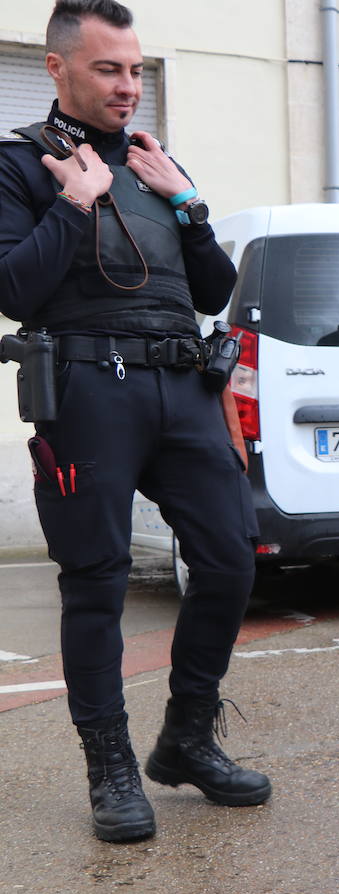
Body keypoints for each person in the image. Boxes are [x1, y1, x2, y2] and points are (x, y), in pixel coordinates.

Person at [0, 0, 268, 843]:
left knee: (229, 558)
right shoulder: (20, 166)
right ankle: (110, 771)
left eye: (136, 70)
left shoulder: (156, 162)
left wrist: (187, 202)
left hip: (180, 384)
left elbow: (212, 290)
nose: (128, 87)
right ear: (58, 68)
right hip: (86, 387)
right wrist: (74, 204)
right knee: (98, 581)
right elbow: (12, 289)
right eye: (110, 69)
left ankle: (186, 738)